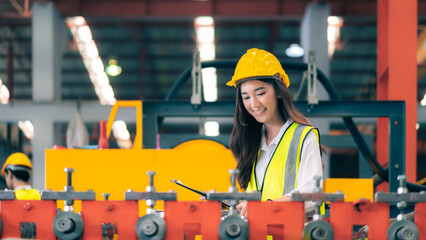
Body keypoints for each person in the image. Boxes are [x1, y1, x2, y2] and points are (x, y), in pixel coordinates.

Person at [227, 48, 323, 216]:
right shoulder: (252, 144)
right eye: (246, 97)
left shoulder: (304, 136)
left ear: (279, 91)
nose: (254, 104)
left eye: (261, 93)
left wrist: (265, 207)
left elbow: (311, 194)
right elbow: (260, 198)